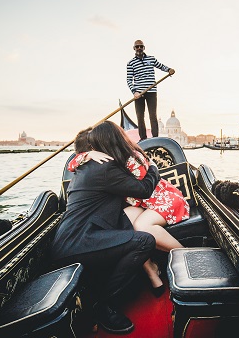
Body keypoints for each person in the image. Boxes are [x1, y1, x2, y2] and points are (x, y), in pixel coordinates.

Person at [50, 123, 161, 334]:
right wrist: (153, 168)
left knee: (127, 224)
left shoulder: (83, 167)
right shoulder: (104, 169)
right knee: (144, 241)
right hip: (79, 242)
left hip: (71, 240)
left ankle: (141, 276)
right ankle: (103, 305)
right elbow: (144, 189)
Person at [68, 122, 189, 295]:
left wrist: (153, 167)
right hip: (141, 204)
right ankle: (151, 270)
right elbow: (71, 165)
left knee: (141, 228)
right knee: (124, 225)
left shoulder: (129, 156)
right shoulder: (103, 159)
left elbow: (143, 189)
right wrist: (87, 155)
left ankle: (186, 255)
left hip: (162, 198)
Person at [126, 39, 175, 141]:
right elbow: (129, 79)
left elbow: (160, 66)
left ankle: (155, 138)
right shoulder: (131, 63)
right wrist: (134, 92)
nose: (139, 48)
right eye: (137, 46)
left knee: (153, 115)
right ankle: (143, 138)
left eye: (141, 46)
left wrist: (169, 70)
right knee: (140, 117)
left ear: (144, 48)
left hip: (151, 91)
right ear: (134, 49)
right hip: (138, 93)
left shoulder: (151, 59)